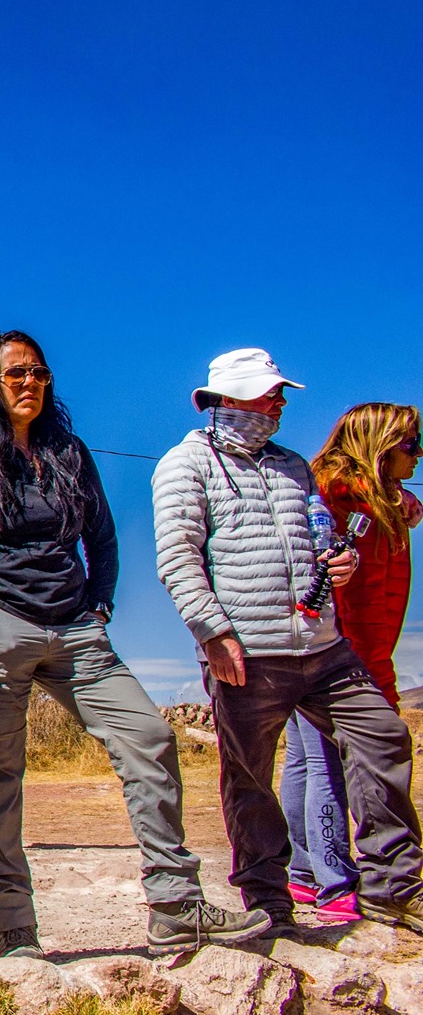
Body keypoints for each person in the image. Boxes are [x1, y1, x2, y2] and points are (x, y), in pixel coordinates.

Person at [0, 332, 264, 960]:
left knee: (150, 737)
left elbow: (102, 536)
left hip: (77, 629)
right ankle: (16, 930)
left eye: (40, 373)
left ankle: (173, 905)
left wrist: (99, 605)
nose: (30, 383)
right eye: (16, 373)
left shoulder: (69, 453)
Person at [157, 353, 423, 938]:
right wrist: (214, 633)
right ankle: (268, 899)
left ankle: (394, 886)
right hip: (247, 651)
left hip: (323, 646)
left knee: (383, 735)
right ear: (229, 399)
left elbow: (319, 536)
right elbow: (177, 558)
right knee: (248, 775)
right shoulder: (186, 465)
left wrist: (341, 561)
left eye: (280, 393)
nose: (280, 403)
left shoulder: (292, 467)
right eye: (268, 393)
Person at [282, 403, 423, 920]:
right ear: (381, 447)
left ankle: (304, 873)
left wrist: (397, 496)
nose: (419, 453)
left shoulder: (372, 496)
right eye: (410, 444)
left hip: (337, 648)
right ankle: (337, 881)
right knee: (327, 762)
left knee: (304, 758)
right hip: (334, 652)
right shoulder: (336, 495)